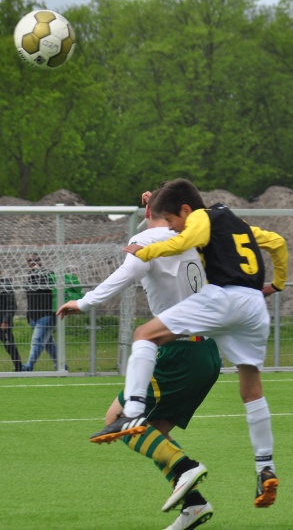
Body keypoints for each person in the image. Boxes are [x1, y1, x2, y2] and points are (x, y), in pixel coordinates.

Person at [87, 178, 289, 510]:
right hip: (232, 329)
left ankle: (171, 452)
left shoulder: (194, 223)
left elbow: (182, 239)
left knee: (135, 366)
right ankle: (216, 490)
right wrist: (277, 283)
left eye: (172, 221)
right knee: (245, 395)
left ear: (183, 210)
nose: (171, 228)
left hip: (191, 339)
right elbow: (277, 241)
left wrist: (144, 251)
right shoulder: (233, 223)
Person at [56, 190, 220, 529]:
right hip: (207, 352)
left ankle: (187, 468)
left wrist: (84, 302)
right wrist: (158, 196)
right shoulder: (188, 235)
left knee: (120, 419)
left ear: (149, 208)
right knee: (152, 432)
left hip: (177, 351)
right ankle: (193, 505)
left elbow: (128, 271)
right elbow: (174, 198)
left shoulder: (149, 236)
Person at [21, 254, 58, 371]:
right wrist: (29, 315)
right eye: (29, 260)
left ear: (40, 260)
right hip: (33, 316)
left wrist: (38, 270)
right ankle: (61, 365)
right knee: (48, 344)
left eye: (34, 259)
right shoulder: (29, 275)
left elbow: (47, 287)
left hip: (46, 315)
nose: (32, 262)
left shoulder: (48, 274)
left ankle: (28, 367)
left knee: (37, 341)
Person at [0, 270, 22, 372]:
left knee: (9, 345)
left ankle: (18, 368)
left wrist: (6, 321)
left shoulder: (6, 284)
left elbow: (12, 305)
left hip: (3, 322)